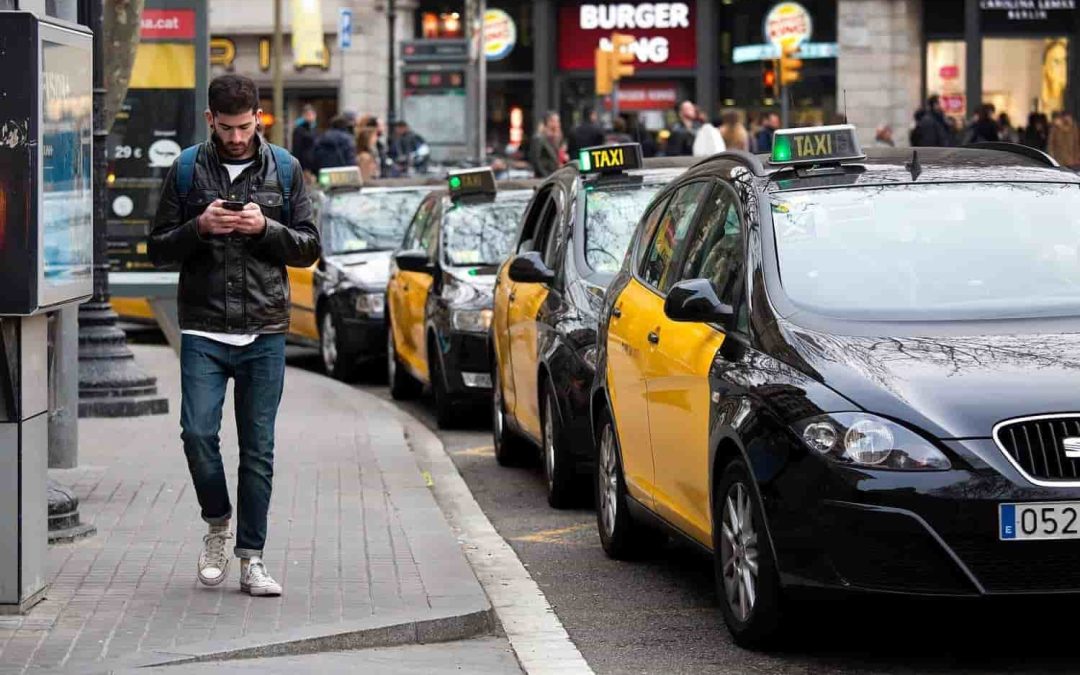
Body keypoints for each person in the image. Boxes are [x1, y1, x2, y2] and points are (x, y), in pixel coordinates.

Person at [147, 74, 320, 598]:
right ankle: (217, 522)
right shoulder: (185, 169)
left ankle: (252, 559)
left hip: (264, 328)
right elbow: (157, 248)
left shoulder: (285, 169)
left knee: (258, 449)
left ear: (259, 118)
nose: (238, 137)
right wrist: (199, 228)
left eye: (246, 126)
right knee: (197, 433)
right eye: (227, 128)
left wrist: (264, 229)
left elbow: (309, 247)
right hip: (203, 325)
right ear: (210, 120)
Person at [529, 111, 561, 177]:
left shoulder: (554, 138)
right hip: (544, 177)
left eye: (558, 121)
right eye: (554, 121)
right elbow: (536, 160)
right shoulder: (539, 138)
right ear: (548, 122)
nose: (557, 124)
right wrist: (545, 176)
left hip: (553, 175)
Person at [291, 104, 318, 175]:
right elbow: (296, 149)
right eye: (309, 115)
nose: (311, 117)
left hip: (313, 164)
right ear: (304, 116)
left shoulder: (313, 128)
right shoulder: (299, 129)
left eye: (313, 114)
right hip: (305, 165)